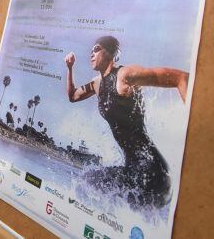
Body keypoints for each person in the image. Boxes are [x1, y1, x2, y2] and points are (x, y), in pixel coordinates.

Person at [64, 35, 189, 209]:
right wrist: (70, 68)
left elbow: (181, 78)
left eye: (96, 49)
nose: (91, 53)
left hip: (153, 173)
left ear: (110, 53)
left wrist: (196, 128)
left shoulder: (125, 75)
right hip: (133, 171)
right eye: (91, 50)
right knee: (94, 190)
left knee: (86, 183)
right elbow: (72, 96)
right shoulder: (97, 84)